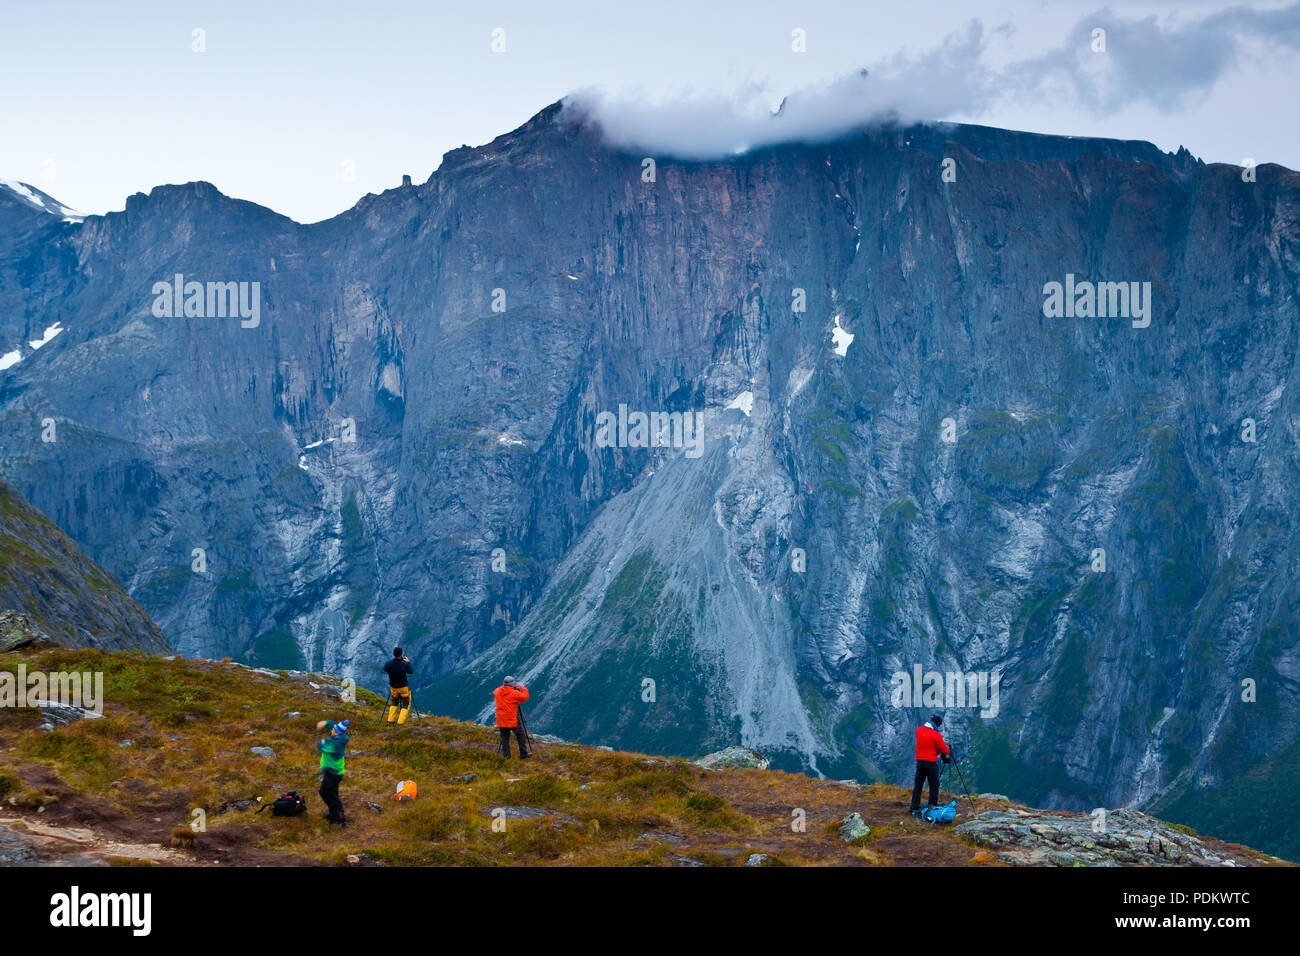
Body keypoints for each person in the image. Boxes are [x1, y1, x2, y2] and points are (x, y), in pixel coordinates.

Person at [909, 713, 950, 816]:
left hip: (920, 762)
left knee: (918, 784)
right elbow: (944, 750)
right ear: (937, 724)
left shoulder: (919, 730)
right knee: (934, 785)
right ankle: (932, 805)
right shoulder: (936, 735)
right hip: (931, 763)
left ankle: (914, 806)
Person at [316, 718, 350, 826]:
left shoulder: (336, 745)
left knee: (333, 796)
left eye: (333, 731)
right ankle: (333, 813)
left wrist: (322, 740)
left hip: (333, 774)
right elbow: (332, 725)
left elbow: (321, 745)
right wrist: (325, 723)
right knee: (323, 792)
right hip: (329, 773)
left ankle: (340, 819)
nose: (331, 731)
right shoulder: (340, 736)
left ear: (336, 733)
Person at [492, 676, 531, 759]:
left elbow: (495, 692)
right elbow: (525, 697)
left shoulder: (497, 691)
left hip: (501, 719)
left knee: (504, 737)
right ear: (512, 683)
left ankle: (506, 756)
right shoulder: (514, 693)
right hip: (511, 719)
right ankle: (523, 754)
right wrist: (522, 687)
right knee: (520, 734)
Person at [383, 647, 414, 724]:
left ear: (393, 654)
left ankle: (390, 720)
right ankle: (400, 722)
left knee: (394, 703)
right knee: (406, 705)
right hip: (403, 687)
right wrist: (408, 662)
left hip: (393, 688)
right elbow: (410, 671)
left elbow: (385, 669)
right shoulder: (404, 664)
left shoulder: (388, 664)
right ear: (401, 654)